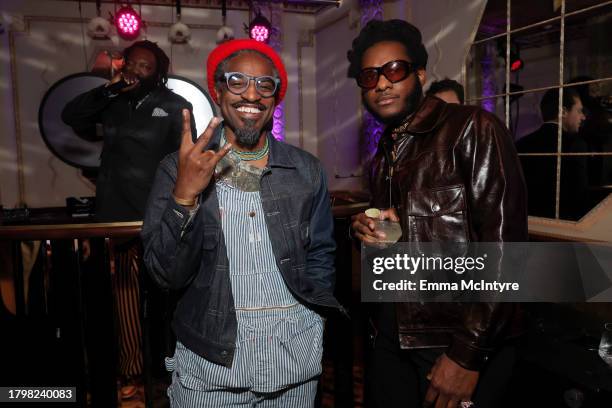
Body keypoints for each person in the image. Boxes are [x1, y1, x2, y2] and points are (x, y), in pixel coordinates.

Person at [141, 39, 342, 407]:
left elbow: (322, 252)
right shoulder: (178, 168)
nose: (252, 93)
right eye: (237, 81)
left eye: (265, 84)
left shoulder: (305, 169)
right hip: (212, 363)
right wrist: (184, 196)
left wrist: (314, 316)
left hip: (293, 360)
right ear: (218, 91)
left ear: (275, 99)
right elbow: (164, 274)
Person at [347, 19, 527, 408]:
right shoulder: (384, 157)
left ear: (420, 75)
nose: (382, 83)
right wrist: (363, 229)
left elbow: (507, 253)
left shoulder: (472, 129)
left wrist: (467, 353)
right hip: (393, 336)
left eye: (394, 69)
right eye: (369, 76)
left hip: (454, 342)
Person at [62, 40, 195, 400]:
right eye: (132, 64)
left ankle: (171, 371)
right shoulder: (112, 101)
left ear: (159, 71)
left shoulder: (175, 106)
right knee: (126, 302)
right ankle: (131, 372)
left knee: (168, 299)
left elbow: (187, 162)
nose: (137, 70)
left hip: (161, 217)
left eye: (145, 66)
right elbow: (71, 116)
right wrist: (109, 87)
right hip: (117, 217)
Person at [515, 88, 587, 219]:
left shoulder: (520, 144)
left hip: (529, 223)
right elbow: (579, 194)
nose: (583, 117)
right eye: (579, 111)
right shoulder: (575, 144)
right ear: (563, 111)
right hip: (567, 226)